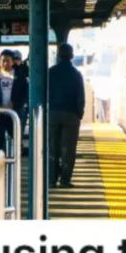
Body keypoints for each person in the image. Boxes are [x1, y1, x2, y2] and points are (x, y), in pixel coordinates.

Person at [48, 43, 85, 188]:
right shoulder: (76, 74)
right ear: (72, 56)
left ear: (58, 55)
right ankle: (65, 180)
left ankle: (52, 179)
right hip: (70, 115)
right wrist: (79, 113)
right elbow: (80, 97)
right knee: (68, 149)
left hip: (52, 114)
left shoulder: (50, 72)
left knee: (52, 148)